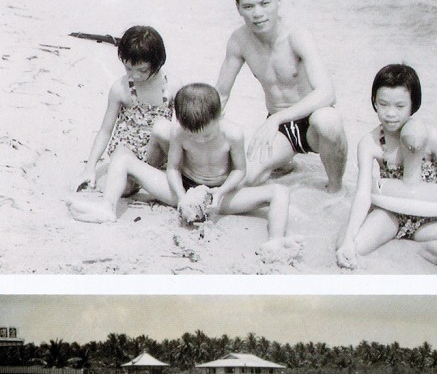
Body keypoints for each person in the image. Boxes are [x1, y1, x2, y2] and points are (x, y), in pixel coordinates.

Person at [69, 83, 300, 258]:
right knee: (122, 156)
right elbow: (173, 167)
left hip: (221, 193)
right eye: (192, 136)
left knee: (279, 191)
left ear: (219, 117)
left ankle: (276, 241)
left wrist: (220, 193)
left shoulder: (233, 134)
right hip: (185, 188)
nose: (199, 141)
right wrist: (181, 197)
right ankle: (107, 206)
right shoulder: (179, 133)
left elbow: (239, 171)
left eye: (206, 135)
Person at [336, 64, 437, 270]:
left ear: (413, 105)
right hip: (390, 217)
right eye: (383, 104)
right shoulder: (370, 143)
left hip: (427, 222)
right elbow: (363, 194)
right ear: (374, 101)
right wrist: (347, 239)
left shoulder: (430, 138)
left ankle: (420, 252)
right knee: (348, 252)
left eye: (400, 106)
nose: (390, 113)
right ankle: (389, 245)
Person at [216, 0, 348, 192]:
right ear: (238, 8)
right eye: (248, 6)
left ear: (278, 0)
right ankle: (284, 162)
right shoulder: (239, 41)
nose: (257, 13)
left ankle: (335, 189)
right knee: (243, 181)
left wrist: (275, 120)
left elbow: (327, 93)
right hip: (281, 129)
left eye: (265, 3)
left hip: (311, 123)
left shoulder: (297, 35)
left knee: (329, 121)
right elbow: (221, 94)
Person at [76, 25, 181, 193]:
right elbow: (105, 130)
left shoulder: (171, 87)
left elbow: (179, 130)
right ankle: (137, 179)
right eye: (128, 68)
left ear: (158, 63)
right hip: (128, 146)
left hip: (156, 149)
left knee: (165, 131)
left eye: (142, 70)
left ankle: (150, 176)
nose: (135, 75)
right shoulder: (121, 88)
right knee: (122, 189)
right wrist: (89, 167)